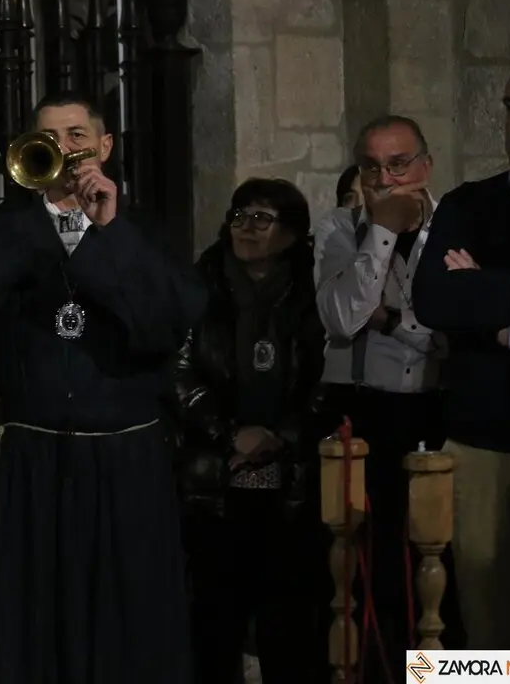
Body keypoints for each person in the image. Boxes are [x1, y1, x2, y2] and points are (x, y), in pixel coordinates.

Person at [0, 91, 207, 683]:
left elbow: (163, 325)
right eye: (50, 138)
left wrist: (107, 230)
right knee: (40, 614)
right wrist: (45, 215)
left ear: (105, 147)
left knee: (131, 614)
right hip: (38, 455)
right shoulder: (7, 228)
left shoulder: (143, 229)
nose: (64, 150)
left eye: (77, 137)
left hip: (127, 456)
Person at [412, 43, 510, 649]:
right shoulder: (469, 204)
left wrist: (500, 310)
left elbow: (472, 299)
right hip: (487, 452)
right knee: (496, 646)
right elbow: (436, 301)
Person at [174, 178, 326, 684]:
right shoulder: (200, 287)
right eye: (239, 215)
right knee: (214, 625)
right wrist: (228, 433)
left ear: (294, 232)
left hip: (293, 483)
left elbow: (326, 379)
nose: (246, 227)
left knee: (291, 627)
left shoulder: (315, 291)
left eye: (262, 218)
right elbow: (178, 372)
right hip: (214, 481)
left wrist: (282, 434)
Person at [313, 115, 448, 674]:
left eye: (398, 165)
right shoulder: (340, 227)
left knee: (441, 564)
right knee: (368, 568)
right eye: (372, 166)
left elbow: (453, 336)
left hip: (434, 410)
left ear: (424, 166)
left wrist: (394, 324)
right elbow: (344, 318)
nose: (385, 179)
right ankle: (377, 672)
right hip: (360, 405)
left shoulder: (455, 227)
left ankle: (448, 671)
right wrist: (384, 232)